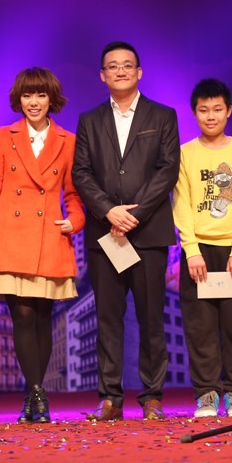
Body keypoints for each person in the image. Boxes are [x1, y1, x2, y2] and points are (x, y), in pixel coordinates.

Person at [72, 41, 180, 422]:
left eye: (127, 65)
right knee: (107, 319)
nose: (120, 71)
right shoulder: (89, 120)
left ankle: (152, 397)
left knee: (152, 318)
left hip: (148, 233)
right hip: (106, 236)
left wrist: (136, 213)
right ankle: (109, 398)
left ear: (139, 72)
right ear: (102, 75)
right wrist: (108, 211)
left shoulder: (162, 115)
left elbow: (168, 169)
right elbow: (81, 172)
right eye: (113, 66)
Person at [0, 67, 84, 423]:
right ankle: (38, 393)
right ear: (18, 100)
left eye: (40, 95)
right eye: (27, 95)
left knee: (42, 318)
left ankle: (32, 395)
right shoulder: (4, 136)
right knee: (21, 316)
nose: (33, 102)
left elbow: (74, 193)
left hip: (50, 235)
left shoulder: (67, 140)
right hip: (10, 237)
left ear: (51, 99)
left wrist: (75, 220)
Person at [173, 79, 232, 418]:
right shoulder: (185, 153)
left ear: (229, 111)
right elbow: (181, 203)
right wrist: (191, 250)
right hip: (199, 253)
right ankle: (206, 394)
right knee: (201, 329)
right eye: (204, 110)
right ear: (194, 113)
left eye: (217, 109)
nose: (211, 116)